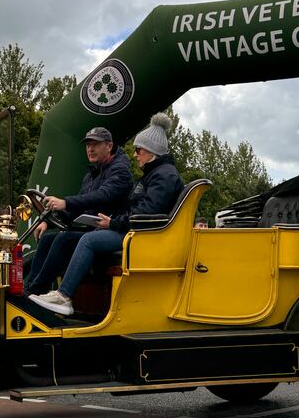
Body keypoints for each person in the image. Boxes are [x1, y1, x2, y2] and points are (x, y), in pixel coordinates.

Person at [28, 113, 184, 315]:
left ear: (152, 151)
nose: (135, 154)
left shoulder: (162, 175)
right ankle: (31, 290)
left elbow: (144, 213)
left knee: (88, 240)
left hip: (144, 237)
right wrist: (50, 221)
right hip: (134, 232)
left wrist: (113, 223)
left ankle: (63, 296)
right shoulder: (153, 175)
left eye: (139, 150)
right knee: (56, 239)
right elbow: (136, 210)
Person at [24, 127, 133, 298]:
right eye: (88, 145)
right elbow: (80, 206)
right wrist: (48, 221)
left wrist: (65, 202)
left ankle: (38, 290)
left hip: (115, 229)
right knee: (47, 239)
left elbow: (103, 196)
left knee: (64, 239)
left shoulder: (120, 170)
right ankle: (30, 288)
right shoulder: (92, 175)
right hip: (96, 229)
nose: (90, 149)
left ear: (109, 146)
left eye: (95, 144)